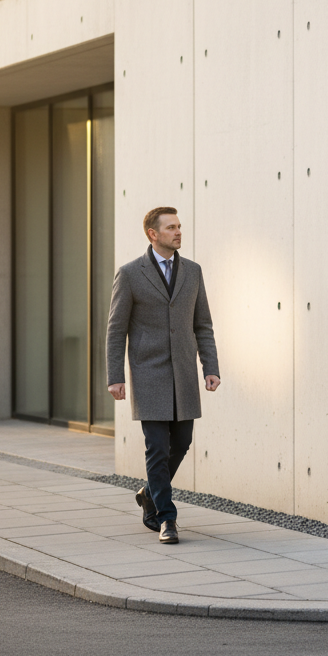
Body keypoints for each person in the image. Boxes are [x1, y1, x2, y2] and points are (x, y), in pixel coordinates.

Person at [106, 207, 220, 544]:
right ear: (153, 234)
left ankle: (149, 493)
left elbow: (203, 324)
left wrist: (210, 367)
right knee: (157, 447)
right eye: (171, 227)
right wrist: (115, 376)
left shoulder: (193, 272)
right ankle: (166, 519)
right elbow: (116, 330)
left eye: (179, 226)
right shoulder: (130, 274)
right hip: (148, 373)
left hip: (183, 374)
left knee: (181, 442)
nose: (178, 231)